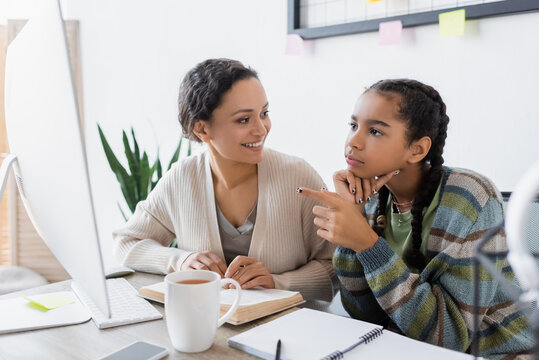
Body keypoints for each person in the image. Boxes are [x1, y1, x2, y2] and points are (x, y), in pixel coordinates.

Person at [298, 79, 533, 358]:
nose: (354, 141)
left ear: (418, 149)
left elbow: (449, 338)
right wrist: (353, 223)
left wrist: (367, 243)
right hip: (406, 350)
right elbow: (365, 314)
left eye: (374, 131)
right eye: (353, 126)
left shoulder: (472, 199)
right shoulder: (372, 198)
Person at [112, 58, 336, 301]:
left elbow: (336, 265)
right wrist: (180, 259)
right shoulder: (182, 179)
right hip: (210, 327)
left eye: (264, 113)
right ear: (202, 130)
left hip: (291, 330)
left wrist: (277, 282)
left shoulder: (298, 177)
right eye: (243, 119)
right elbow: (126, 243)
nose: (261, 129)